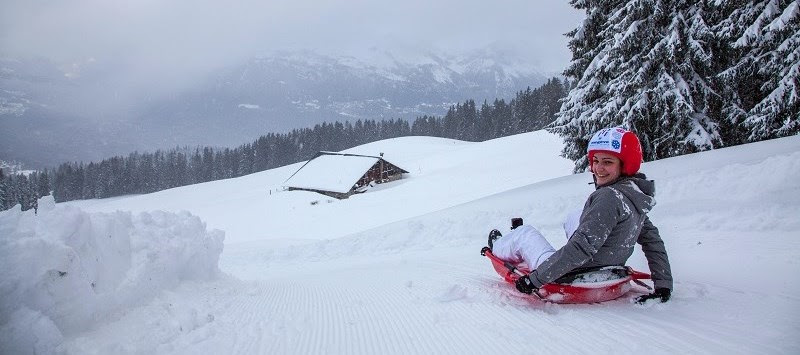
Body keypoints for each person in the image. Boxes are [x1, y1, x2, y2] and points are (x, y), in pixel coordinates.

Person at [488, 127, 673, 303]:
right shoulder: (633, 197)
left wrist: (534, 280)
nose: (598, 168)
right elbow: (652, 241)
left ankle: (498, 246)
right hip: (609, 271)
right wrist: (664, 285)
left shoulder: (608, 197)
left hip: (573, 276)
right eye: (595, 161)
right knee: (576, 216)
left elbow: (580, 249)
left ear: (624, 165)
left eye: (607, 162)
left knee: (526, 234)